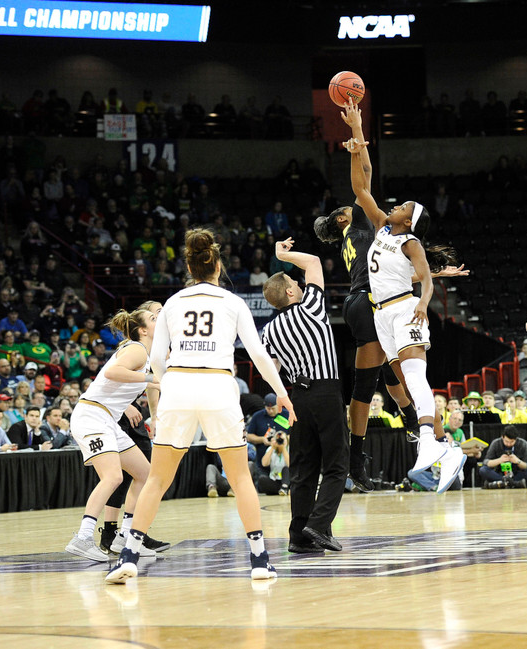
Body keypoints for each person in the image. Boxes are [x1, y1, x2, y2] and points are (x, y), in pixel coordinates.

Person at [106, 229, 294, 584]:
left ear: (190, 267)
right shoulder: (232, 301)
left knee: (158, 479)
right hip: (218, 385)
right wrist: (281, 393)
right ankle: (259, 561)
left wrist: (168, 390)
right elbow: (257, 354)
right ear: (218, 265)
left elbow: (157, 360)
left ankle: (128, 556)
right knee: (239, 478)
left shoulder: (173, 303)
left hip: (178, 383)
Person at [316, 104, 466, 492]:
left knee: (414, 374)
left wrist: (423, 301)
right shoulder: (382, 225)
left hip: (403, 309)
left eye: (404, 207)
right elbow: (360, 189)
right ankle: (445, 452)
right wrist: (355, 141)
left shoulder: (412, 240)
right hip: (379, 314)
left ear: (409, 221)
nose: (397, 205)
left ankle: (431, 444)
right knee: (398, 376)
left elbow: (425, 280)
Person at [260, 239, 347, 553]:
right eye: (295, 283)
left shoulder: (269, 331)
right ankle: (319, 524)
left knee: (303, 469)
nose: (300, 283)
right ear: (291, 292)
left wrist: (283, 394)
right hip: (325, 392)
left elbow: (270, 369)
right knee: (337, 465)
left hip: (296, 396)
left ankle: (298, 536)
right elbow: (313, 262)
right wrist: (282, 255)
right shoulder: (311, 307)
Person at [63, 307, 160, 562]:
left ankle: (123, 537)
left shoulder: (149, 355)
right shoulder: (136, 348)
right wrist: (152, 377)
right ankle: (83, 537)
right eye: (153, 317)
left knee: (144, 473)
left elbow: (152, 383)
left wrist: (157, 411)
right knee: (113, 477)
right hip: (91, 415)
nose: (159, 319)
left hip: (107, 419)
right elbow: (110, 373)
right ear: (143, 330)